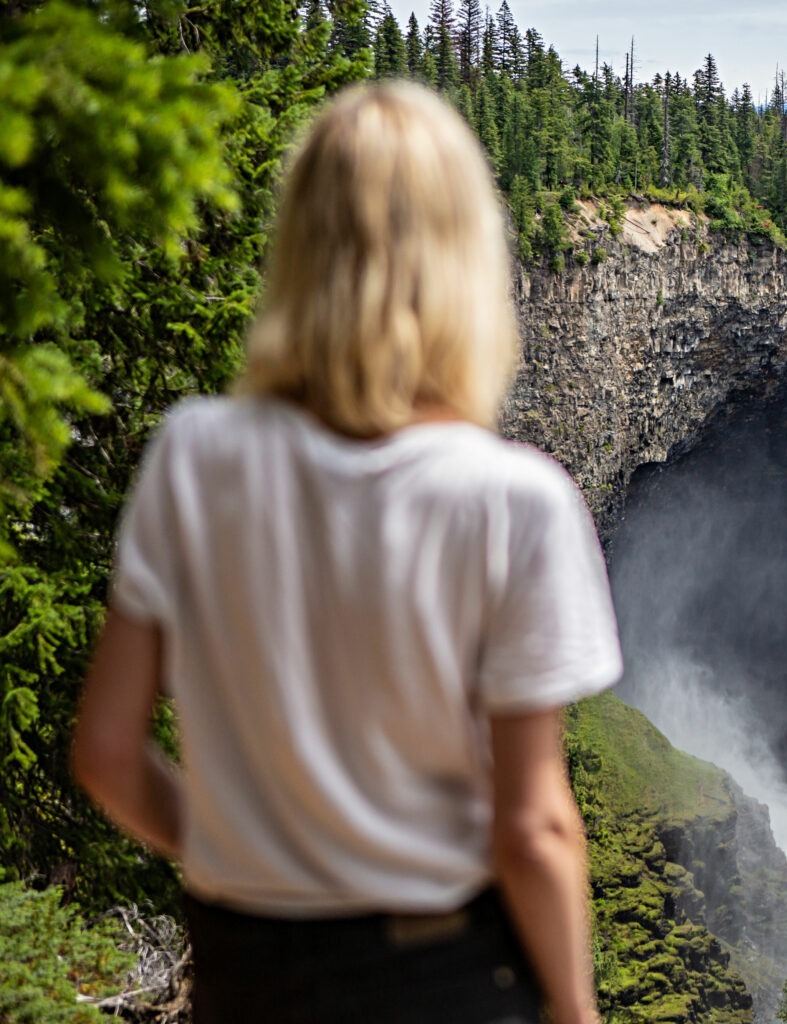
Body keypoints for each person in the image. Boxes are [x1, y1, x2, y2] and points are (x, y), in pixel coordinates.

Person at [70, 81, 621, 1024]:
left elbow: (109, 754)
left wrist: (247, 857)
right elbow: (533, 829)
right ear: (468, 263)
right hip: (445, 975)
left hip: (247, 973)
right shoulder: (514, 498)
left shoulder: (193, 455)